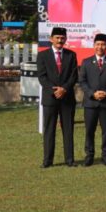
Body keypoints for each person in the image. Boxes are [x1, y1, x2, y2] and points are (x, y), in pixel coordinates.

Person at [37, 27, 78, 167]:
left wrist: (64, 89)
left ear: (66, 39)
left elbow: (74, 76)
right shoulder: (43, 55)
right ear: (51, 39)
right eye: (57, 37)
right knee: (49, 130)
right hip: (50, 98)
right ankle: (47, 161)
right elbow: (42, 77)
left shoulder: (71, 55)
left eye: (62, 38)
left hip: (67, 98)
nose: (60, 40)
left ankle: (70, 160)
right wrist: (53, 90)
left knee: (68, 129)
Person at [78, 33, 106, 167]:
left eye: (103, 44)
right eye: (97, 44)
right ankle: (89, 155)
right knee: (90, 130)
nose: (100, 47)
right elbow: (82, 81)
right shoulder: (86, 62)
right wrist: (92, 93)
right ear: (93, 45)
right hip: (90, 103)